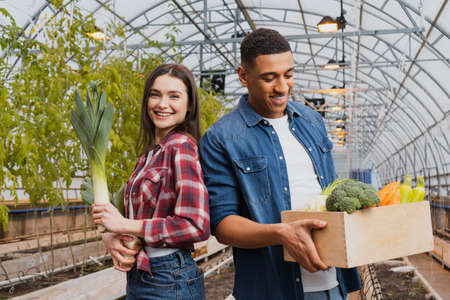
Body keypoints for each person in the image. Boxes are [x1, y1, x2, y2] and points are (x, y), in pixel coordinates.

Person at [199, 28, 361, 300]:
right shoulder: (222, 138)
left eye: (288, 74)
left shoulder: (311, 121)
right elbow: (222, 224)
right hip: (271, 289)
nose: (282, 87)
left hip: (332, 285)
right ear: (243, 76)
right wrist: (282, 234)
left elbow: (331, 193)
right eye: (269, 78)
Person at [92, 64, 210, 300]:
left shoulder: (181, 147)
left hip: (169, 277)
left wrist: (123, 225)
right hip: (146, 274)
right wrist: (110, 234)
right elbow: (136, 219)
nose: (162, 104)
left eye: (174, 96)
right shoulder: (150, 155)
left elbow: (195, 225)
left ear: (189, 107)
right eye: (155, 94)